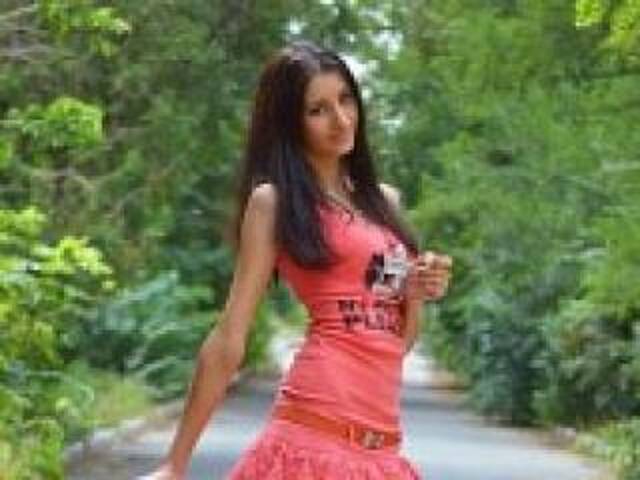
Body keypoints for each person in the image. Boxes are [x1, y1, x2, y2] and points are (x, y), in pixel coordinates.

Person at [140, 40, 452, 480]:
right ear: (290, 123)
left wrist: (415, 291)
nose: (341, 120)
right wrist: (175, 463)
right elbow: (230, 335)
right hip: (312, 441)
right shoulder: (275, 203)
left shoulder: (385, 202)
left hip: (382, 452)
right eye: (318, 110)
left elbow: (396, 343)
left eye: (345, 100)